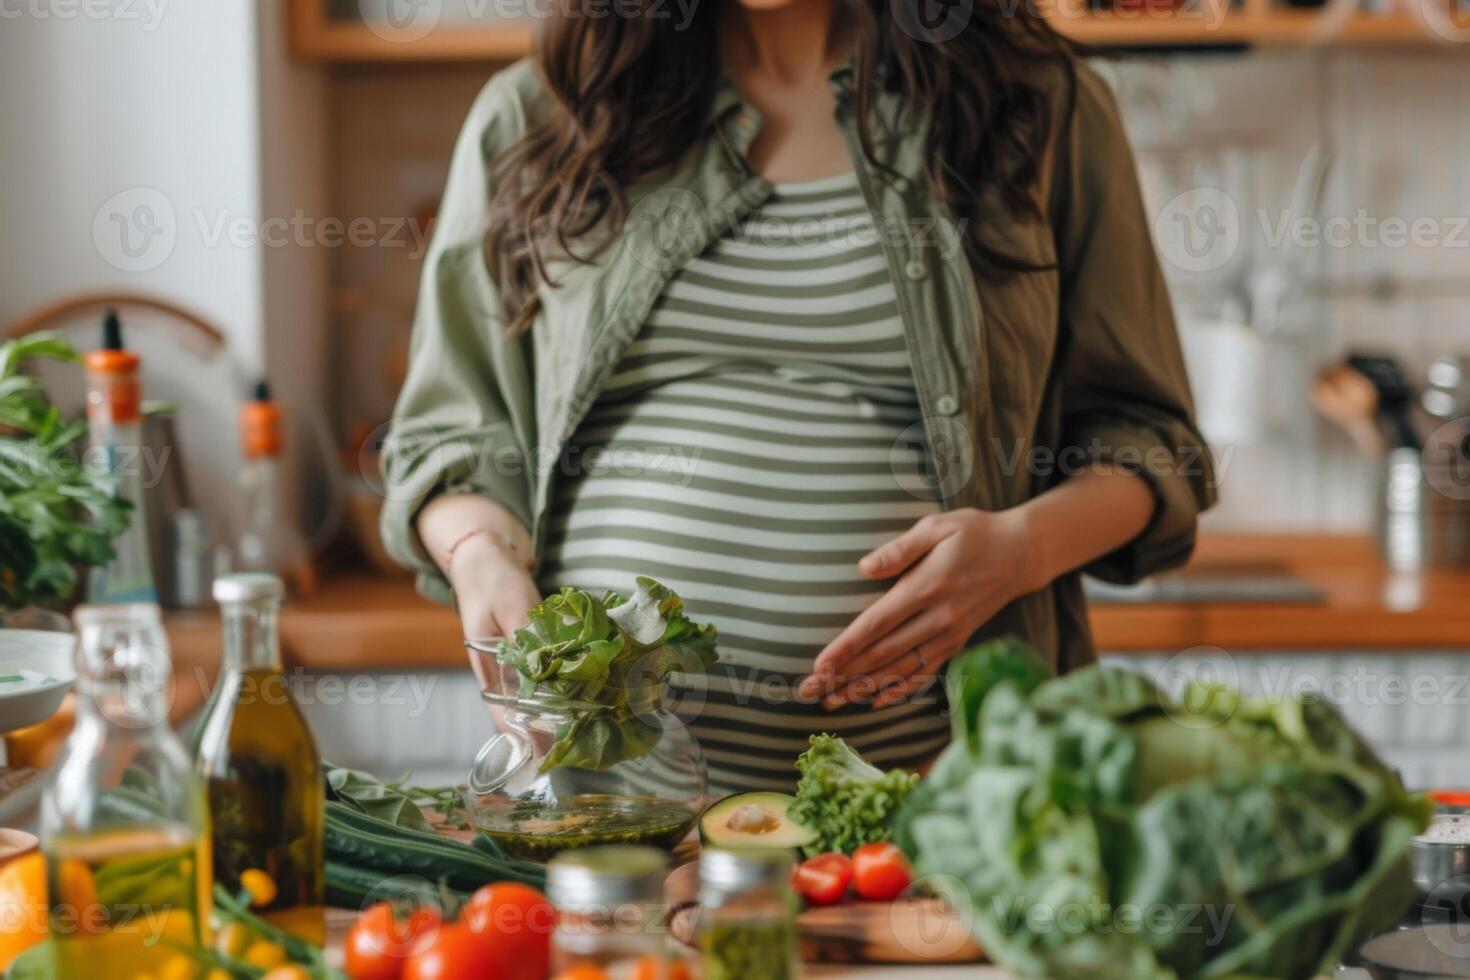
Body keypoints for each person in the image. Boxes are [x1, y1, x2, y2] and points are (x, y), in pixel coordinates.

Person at [381, 0, 1215, 793]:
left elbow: (1150, 442)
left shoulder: (1041, 108)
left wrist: (1023, 548)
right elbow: (447, 438)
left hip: (944, 808)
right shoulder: (538, 115)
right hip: (611, 811)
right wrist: (478, 555)